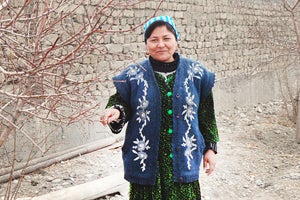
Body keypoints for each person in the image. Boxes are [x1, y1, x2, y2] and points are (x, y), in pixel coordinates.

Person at [100, 15, 219, 200]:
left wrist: (210, 149)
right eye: (154, 40)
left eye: (166, 38)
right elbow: (120, 101)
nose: (160, 44)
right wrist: (116, 111)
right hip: (145, 165)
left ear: (176, 41)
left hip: (183, 164)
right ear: (146, 44)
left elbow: (206, 115)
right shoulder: (134, 75)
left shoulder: (196, 73)